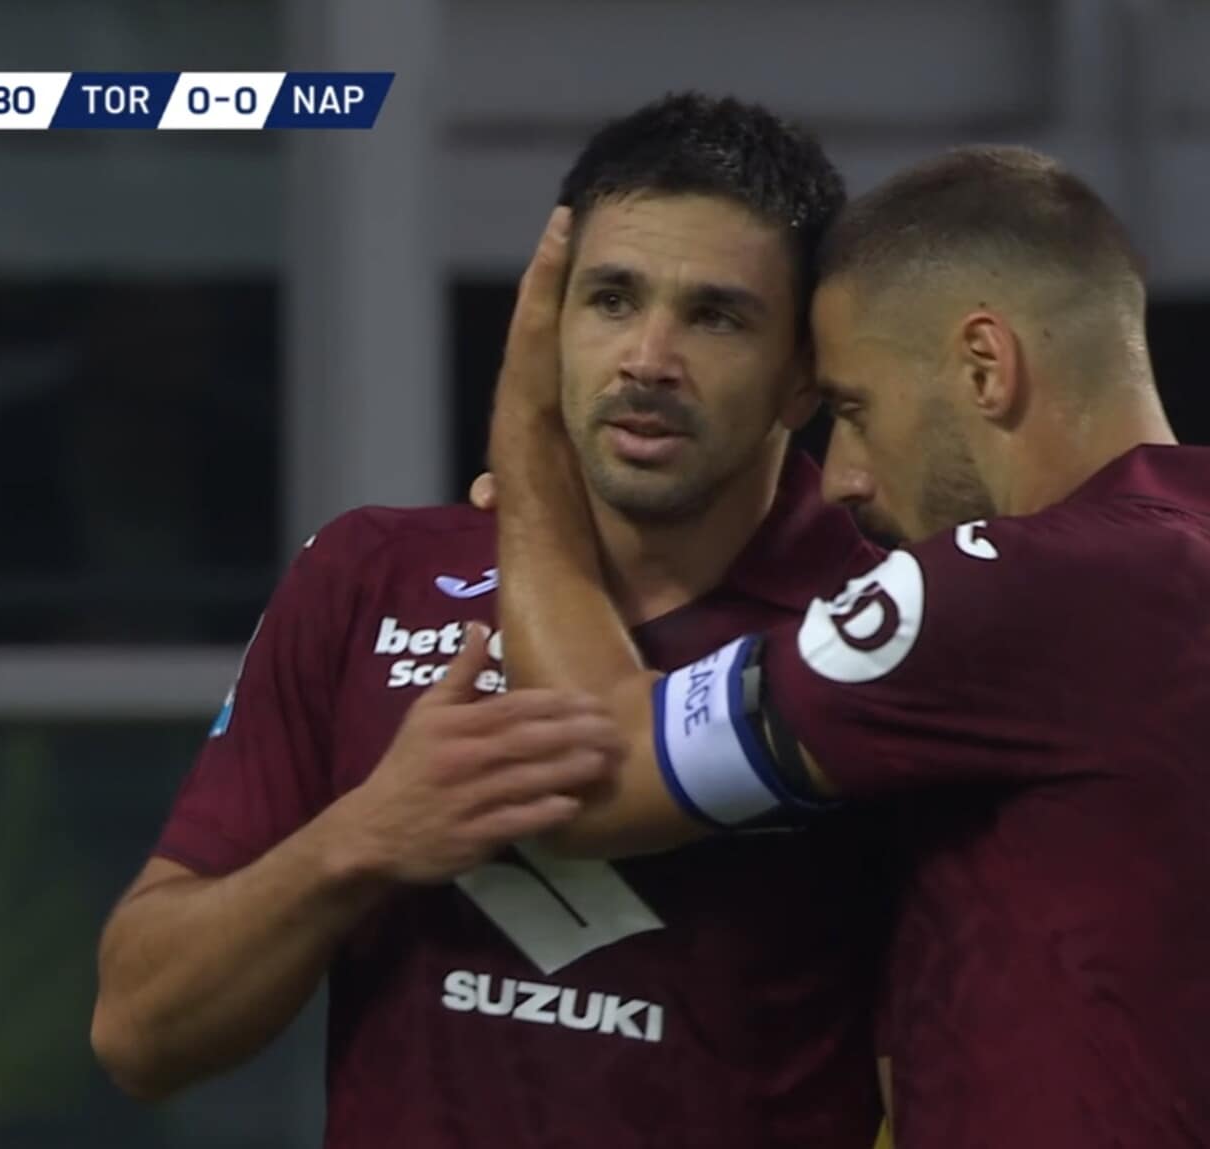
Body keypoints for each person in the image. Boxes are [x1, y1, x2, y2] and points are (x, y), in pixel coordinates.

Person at [487, 146, 1210, 1146]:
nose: (842, 476)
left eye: (852, 409)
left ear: (983, 365)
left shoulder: (1033, 587)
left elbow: (594, 769)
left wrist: (529, 439)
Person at [91, 93, 899, 1147]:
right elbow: (139, 1031)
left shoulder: (882, 629)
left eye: (715, 317)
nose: (648, 358)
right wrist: (360, 839)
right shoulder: (371, 575)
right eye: (611, 299)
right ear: (546, 323)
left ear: (800, 379)